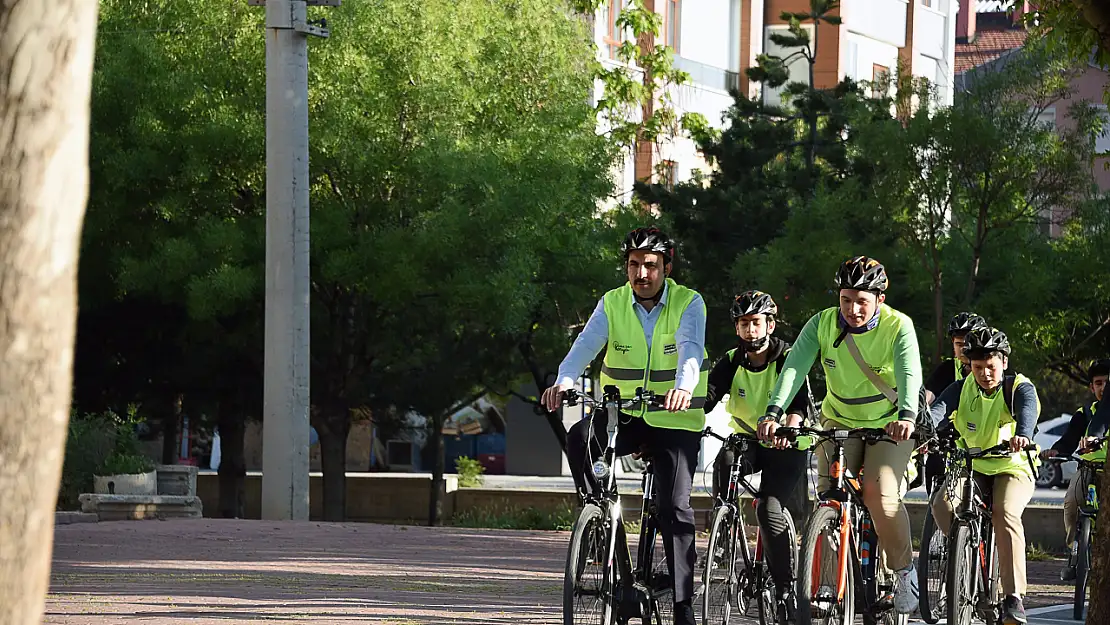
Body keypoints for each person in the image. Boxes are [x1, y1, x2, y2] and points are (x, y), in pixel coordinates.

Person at [540, 226, 707, 625]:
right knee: (579, 437)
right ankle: (600, 516)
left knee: (673, 506)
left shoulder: (689, 303)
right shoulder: (612, 302)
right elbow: (585, 344)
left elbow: (691, 349)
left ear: (666, 266)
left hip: (674, 418)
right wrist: (564, 380)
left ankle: (683, 605)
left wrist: (684, 387)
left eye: (650, 265)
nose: (641, 273)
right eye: (633, 265)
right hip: (625, 413)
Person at [758, 255, 923, 614]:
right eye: (846, 299)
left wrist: (907, 414)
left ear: (880, 298)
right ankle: (827, 585)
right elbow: (793, 369)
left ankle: (903, 571)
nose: (852, 309)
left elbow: (911, 373)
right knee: (829, 498)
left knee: (879, 493)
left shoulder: (899, 326)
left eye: (862, 301)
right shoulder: (823, 324)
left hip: (889, 425)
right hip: (839, 422)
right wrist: (773, 411)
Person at [703, 289, 814, 615]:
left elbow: (797, 404)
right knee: (724, 458)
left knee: (768, 509)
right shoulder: (732, 361)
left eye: (755, 323)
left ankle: (784, 590)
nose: (749, 330)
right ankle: (725, 526)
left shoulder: (788, 357)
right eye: (743, 324)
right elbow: (707, 397)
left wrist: (788, 427)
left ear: (770, 324)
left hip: (787, 443)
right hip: (748, 439)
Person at [928, 326, 1039, 625]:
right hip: (973, 464)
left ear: (1003, 362)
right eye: (977, 367)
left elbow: (1028, 409)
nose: (984, 373)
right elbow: (938, 410)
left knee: (1004, 513)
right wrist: (922, 429)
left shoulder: (1017, 387)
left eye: (990, 366)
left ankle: (1013, 597)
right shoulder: (961, 388)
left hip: (1011, 466)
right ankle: (962, 550)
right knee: (941, 504)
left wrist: (1024, 435)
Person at [1041, 358, 1109, 581]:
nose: (1103, 388)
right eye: (1098, 383)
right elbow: (1070, 438)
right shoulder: (1086, 413)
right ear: (1091, 387)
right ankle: (1075, 553)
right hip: (1088, 468)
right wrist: (1056, 450)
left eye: (1107, 382)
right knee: (1071, 502)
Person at [921, 312, 989, 493]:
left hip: (985, 444)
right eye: (959, 344)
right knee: (936, 481)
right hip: (948, 442)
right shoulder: (947, 369)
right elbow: (928, 395)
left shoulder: (992, 370)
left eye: (969, 343)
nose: (964, 349)